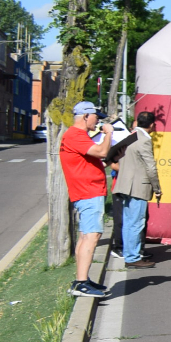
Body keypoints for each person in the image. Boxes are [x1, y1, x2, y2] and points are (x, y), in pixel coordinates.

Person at [61, 101, 114, 298]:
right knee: (92, 236)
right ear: (85, 116)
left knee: (86, 236)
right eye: (96, 117)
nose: (98, 121)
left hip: (87, 191)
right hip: (88, 192)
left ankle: (82, 279)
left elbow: (94, 158)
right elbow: (101, 151)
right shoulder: (75, 135)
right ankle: (81, 283)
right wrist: (109, 133)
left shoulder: (78, 136)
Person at [110, 110, 161, 269]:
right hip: (138, 186)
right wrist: (157, 188)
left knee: (128, 222)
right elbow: (150, 166)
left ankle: (129, 253)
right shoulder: (144, 140)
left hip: (125, 185)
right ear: (152, 125)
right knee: (136, 223)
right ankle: (133, 257)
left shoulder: (129, 137)